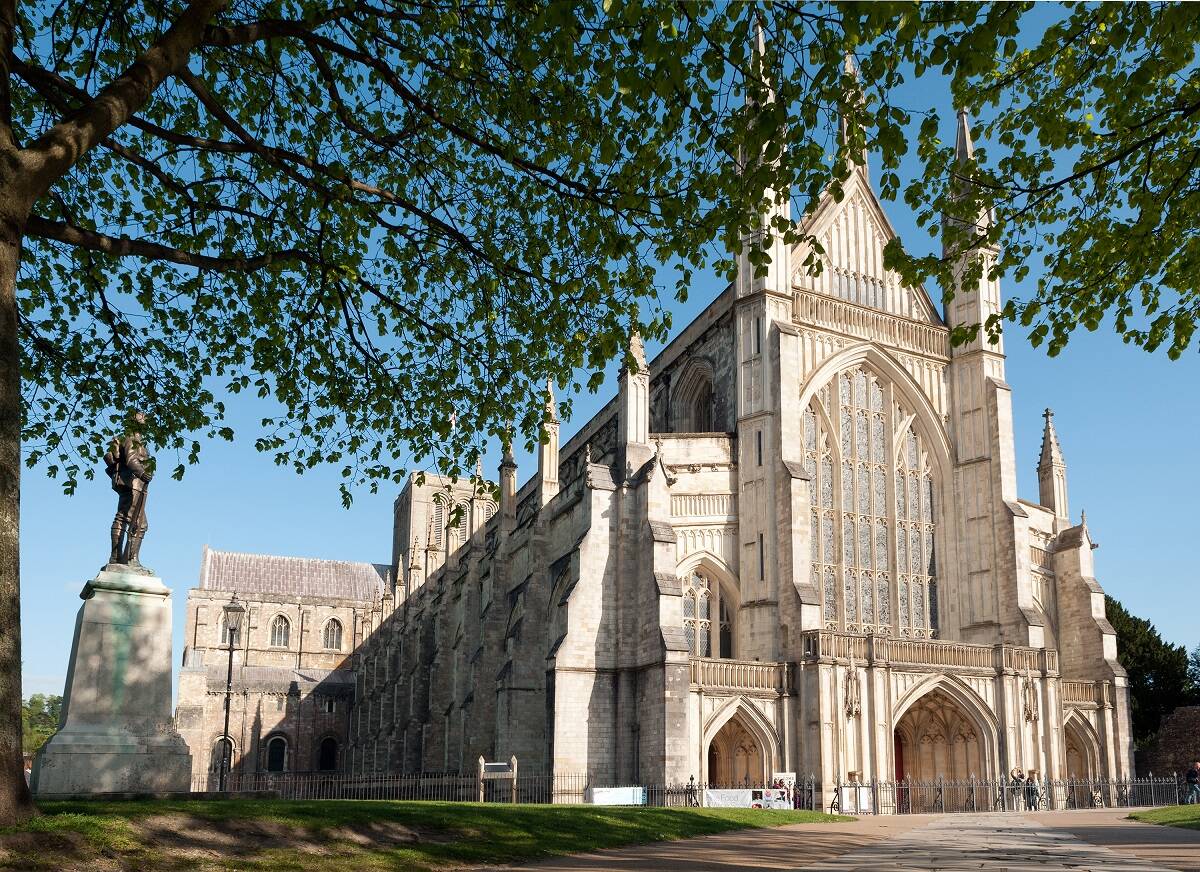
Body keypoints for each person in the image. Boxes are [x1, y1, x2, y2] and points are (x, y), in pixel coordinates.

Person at [104, 412, 154, 570]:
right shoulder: (132, 438)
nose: (145, 420)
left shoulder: (138, 439)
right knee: (125, 519)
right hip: (132, 483)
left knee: (139, 523)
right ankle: (121, 558)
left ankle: (130, 558)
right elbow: (131, 459)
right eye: (143, 417)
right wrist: (142, 473)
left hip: (136, 485)